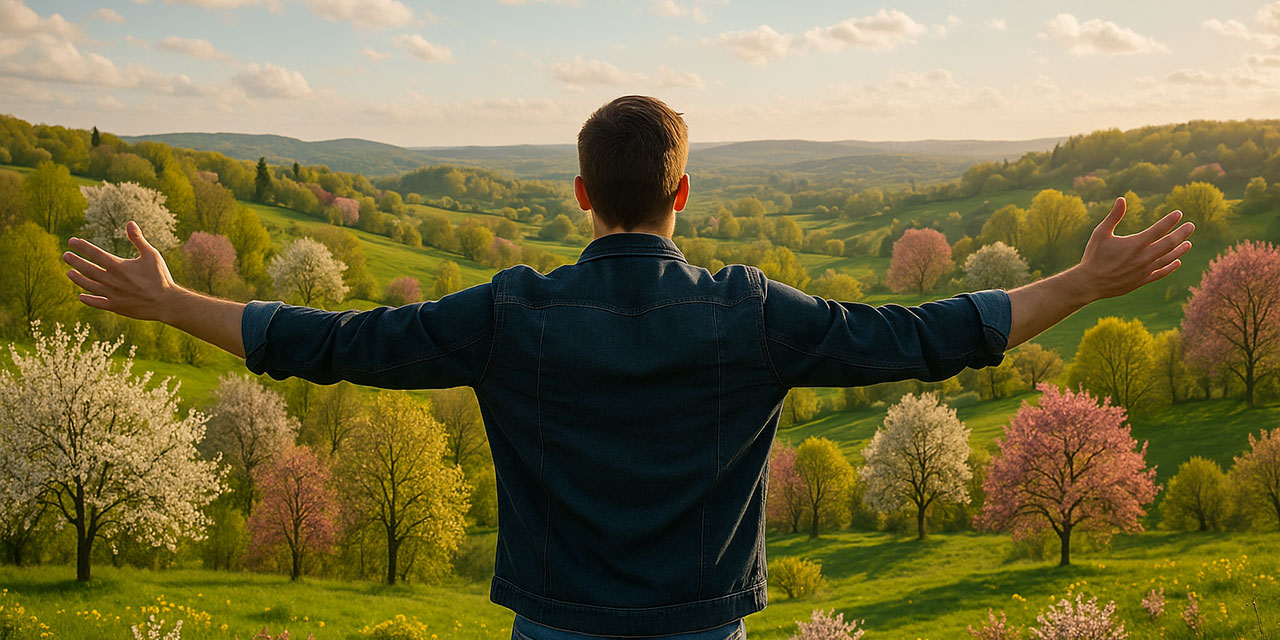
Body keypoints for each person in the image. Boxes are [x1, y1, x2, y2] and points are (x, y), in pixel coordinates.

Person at [62, 96, 1193, 640]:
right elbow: (928, 333)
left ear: (581, 196)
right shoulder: (750, 314)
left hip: (553, 631)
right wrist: (1080, 285)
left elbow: (331, 344)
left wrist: (172, 300)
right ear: (683, 194)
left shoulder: (510, 314)